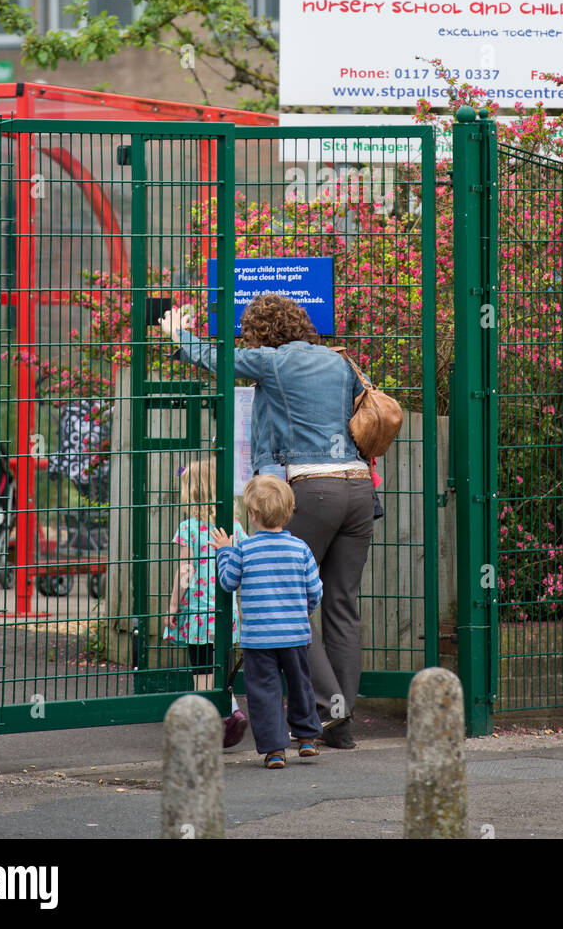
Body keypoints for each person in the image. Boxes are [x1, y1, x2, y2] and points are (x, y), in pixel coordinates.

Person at [161, 292, 375, 749]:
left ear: (261, 333)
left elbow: (216, 359)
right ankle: (341, 723)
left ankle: (328, 703)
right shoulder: (341, 362)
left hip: (314, 490)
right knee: (341, 605)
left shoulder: (274, 361)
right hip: (360, 490)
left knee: (291, 599)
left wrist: (177, 333)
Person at [211, 475, 323, 769]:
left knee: (264, 692)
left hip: (259, 638)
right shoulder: (300, 549)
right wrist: (305, 610)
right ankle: (308, 737)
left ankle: (275, 750)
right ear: (288, 512)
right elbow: (316, 590)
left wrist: (223, 551)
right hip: (296, 634)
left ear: (253, 514)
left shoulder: (244, 550)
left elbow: (227, 581)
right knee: (300, 684)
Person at [164, 455, 249, 749]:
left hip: (199, 614)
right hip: (227, 613)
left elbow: (185, 570)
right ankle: (233, 711)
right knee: (221, 669)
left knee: (200, 670)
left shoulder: (189, 528)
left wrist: (174, 604)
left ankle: (205, 727)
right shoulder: (234, 527)